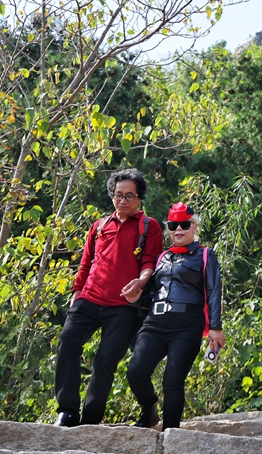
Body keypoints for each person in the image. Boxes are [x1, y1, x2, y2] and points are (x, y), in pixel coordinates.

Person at [53, 168, 164, 427]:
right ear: (112, 196)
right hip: (88, 299)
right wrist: (76, 297)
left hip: (123, 307)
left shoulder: (149, 226)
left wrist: (141, 280)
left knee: (104, 362)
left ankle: (90, 420)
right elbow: (85, 265)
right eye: (118, 195)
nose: (123, 200)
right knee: (67, 344)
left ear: (139, 199)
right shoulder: (99, 226)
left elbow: (150, 262)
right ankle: (67, 412)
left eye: (129, 196)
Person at [125, 202, 224, 430]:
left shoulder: (205, 254)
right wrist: (134, 299)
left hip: (187, 326)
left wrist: (215, 328)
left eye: (184, 224)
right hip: (155, 324)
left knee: (172, 380)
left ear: (194, 226)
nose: (178, 229)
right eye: (172, 225)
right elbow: (149, 295)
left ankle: (170, 434)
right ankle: (149, 410)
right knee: (136, 372)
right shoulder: (161, 258)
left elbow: (214, 290)